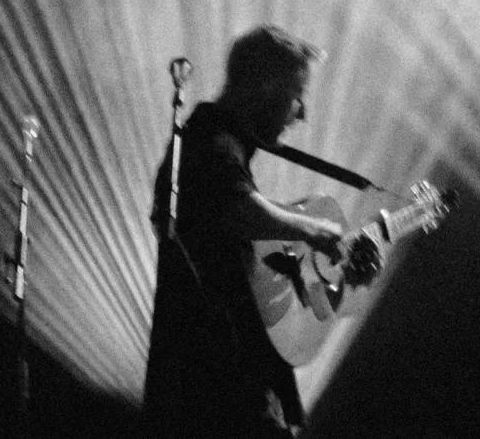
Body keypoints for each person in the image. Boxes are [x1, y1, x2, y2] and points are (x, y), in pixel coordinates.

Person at [144, 25, 372, 439]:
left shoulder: (223, 152)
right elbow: (235, 207)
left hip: (238, 394)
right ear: (266, 85)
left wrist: (342, 284)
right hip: (214, 400)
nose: (301, 112)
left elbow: (282, 312)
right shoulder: (207, 142)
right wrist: (318, 231)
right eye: (296, 94)